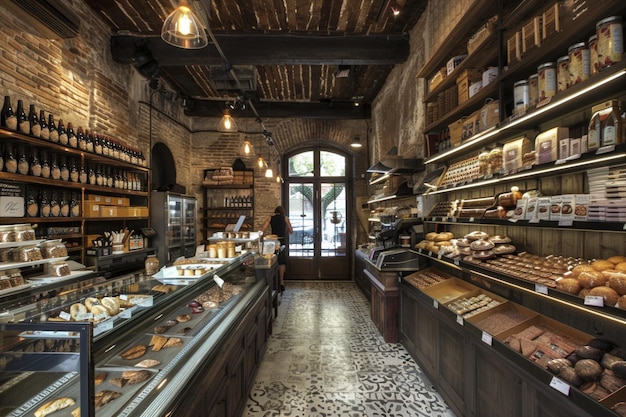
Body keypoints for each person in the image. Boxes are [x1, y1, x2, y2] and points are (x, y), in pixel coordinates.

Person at [261, 206, 293, 292]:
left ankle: (273, 283)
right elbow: (291, 231)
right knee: (281, 263)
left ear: (275, 212)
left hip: (272, 242)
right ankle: (281, 283)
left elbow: (262, 230)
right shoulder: (285, 218)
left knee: (272, 261)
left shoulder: (270, 218)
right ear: (283, 212)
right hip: (281, 241)